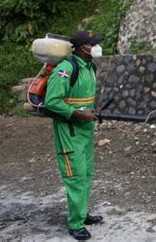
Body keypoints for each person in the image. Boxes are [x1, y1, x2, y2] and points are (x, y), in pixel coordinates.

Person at [45, 30, 104, 240]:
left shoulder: (89, 67)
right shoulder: (66, 69)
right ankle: (75, 224)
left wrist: (92, 111)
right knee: (75, 176)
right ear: (83, 48)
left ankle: (82, 213)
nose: (97, 47)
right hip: (69, 130)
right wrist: (79, 114)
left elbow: (84, 97)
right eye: (93, 44)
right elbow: (52, 102)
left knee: (87, 173)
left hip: (85, 129)